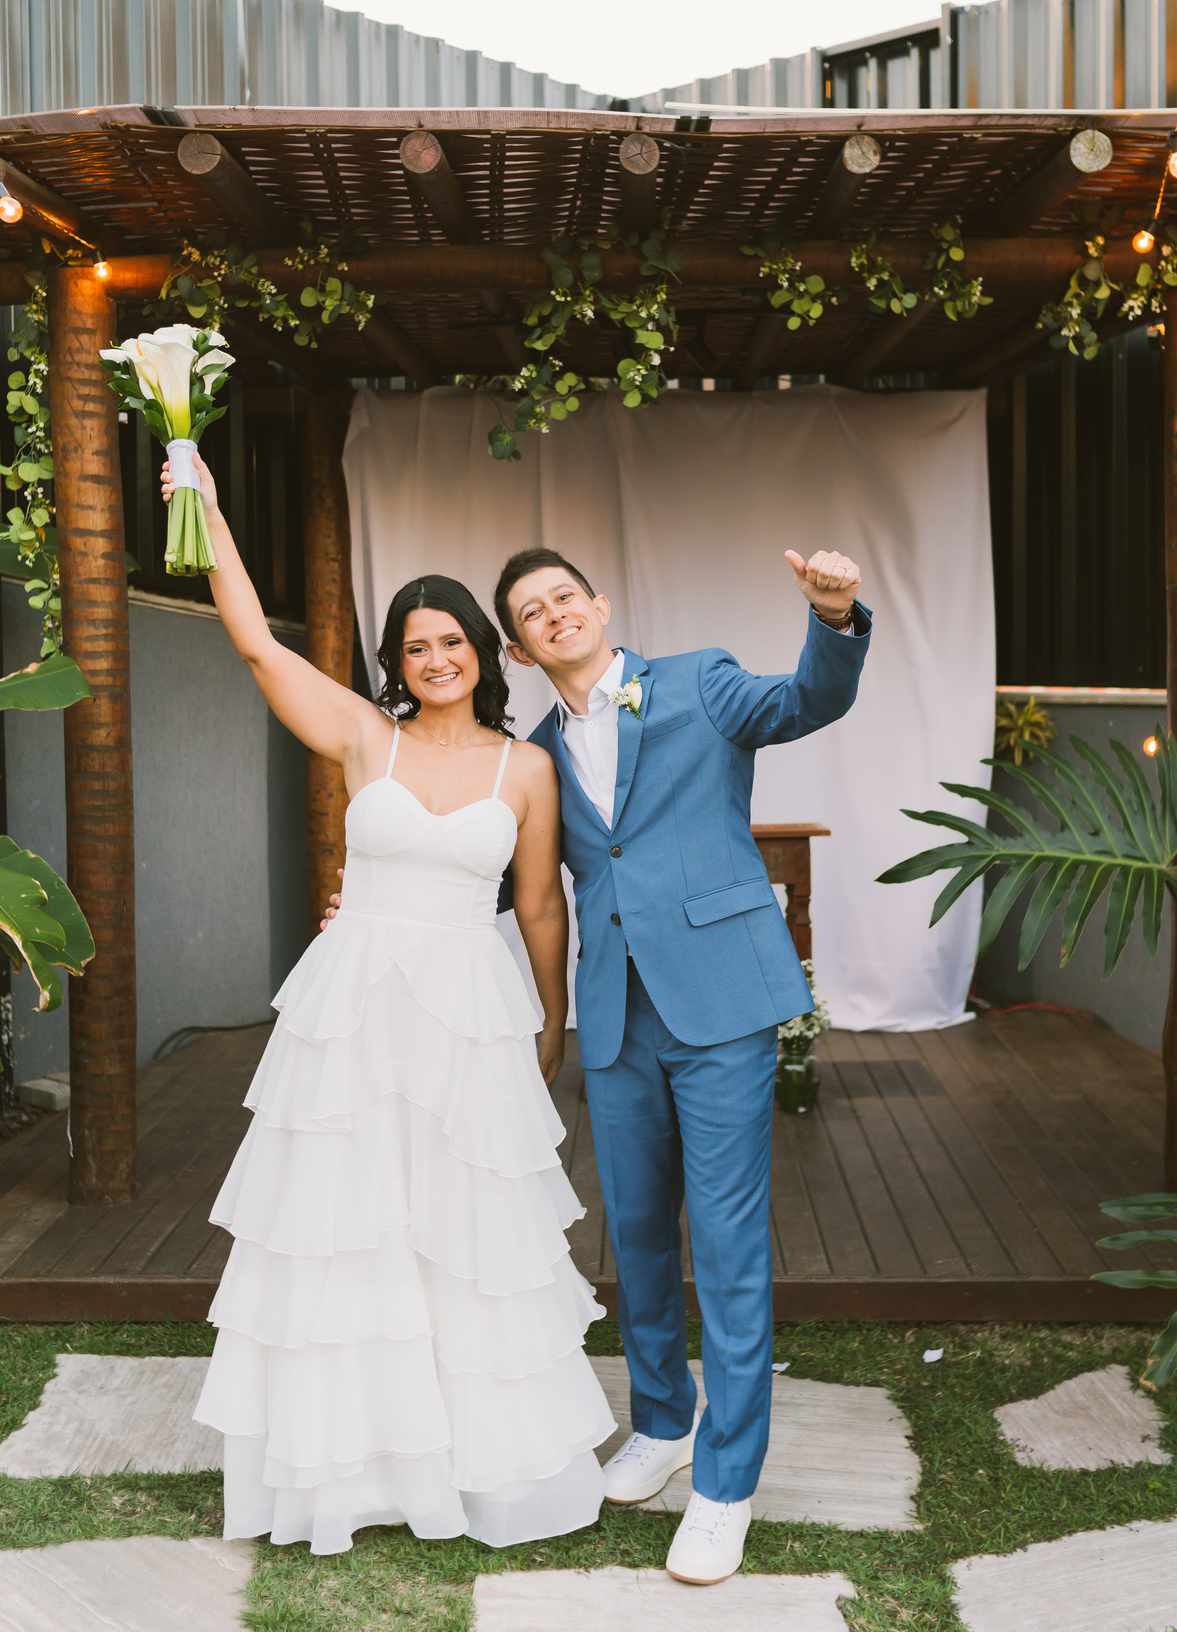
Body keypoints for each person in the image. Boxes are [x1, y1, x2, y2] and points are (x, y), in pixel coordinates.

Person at [332, 545, 870, 1583]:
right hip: (616, 1015)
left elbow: (809, 700)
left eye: (564, 598)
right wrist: (367, 906)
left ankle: (726, 1483)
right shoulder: (530, 756)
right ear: (519, 649)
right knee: (636, 1235)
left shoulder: (704, 681)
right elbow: (497, 873)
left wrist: (836, 619)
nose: (554, 616)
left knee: (727, 1243)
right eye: (531, 613)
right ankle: (663, 1423)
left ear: (599, 606)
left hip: (721, 1003)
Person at [171, 453, 615, 1557]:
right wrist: (211, 511)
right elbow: (256, 644)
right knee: (350, 1225)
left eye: (453, 640)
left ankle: (470, 1459)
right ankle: (354, 1465)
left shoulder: (525, 769)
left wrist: (550, 1020)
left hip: (468, 1011)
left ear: (485, 652)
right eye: (416, 646)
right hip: (356, 1009)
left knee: (463, 1231)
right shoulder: (366, 736)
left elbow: (541, 907)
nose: (437, 659)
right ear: (396, 662)